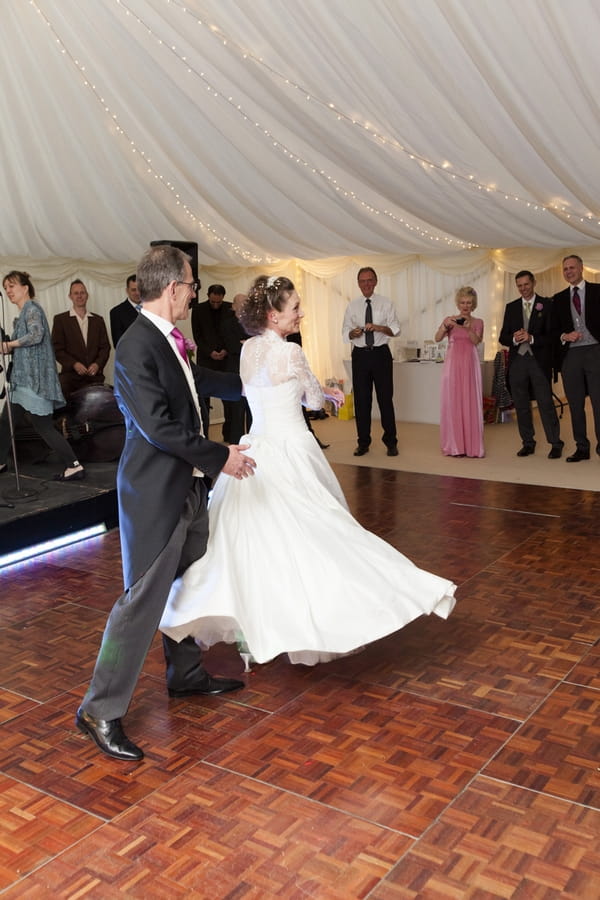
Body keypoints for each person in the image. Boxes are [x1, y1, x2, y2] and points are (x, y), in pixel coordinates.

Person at [159, 275, 455, 670]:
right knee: (321, 532)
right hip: (293, 448)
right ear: (272, 315)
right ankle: (337, 610)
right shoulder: (291, 353)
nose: (301, 313)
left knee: (252, 542)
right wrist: (327, 393)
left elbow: (255, 391)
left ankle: (258, 619)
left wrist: (301, 392)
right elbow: (313, 399)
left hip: (256, 447)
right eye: (294, 308)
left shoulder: (247, 350)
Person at [76, 246, 256, 762]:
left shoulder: (169, 340)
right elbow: (157, 427)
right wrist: (221, 456)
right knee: (140, 603)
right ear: (173, 287)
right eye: (192, 284)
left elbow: (195, 384)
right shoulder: (135, 345)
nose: (195, 293)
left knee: (187, 587)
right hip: (154, 494)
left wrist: (254, 385)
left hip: (189, 489)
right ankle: (99, 708)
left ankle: (185, 672)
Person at [0, 271, 84, 481]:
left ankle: (74, 465)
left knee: (42, 426)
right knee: (5, 422)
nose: (8, 291)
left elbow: (36, 335)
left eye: (11, 286)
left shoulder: (32, 308)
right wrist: (9, 348)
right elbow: (28, 345)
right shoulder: (24, 313)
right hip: (22, 381)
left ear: (25, 287)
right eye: (6, 287)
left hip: (32, 381)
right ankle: (1, 461)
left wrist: (10, 344)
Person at [499, 271, 563, 458]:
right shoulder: (511, 307)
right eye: (519, 285)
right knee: (521, 405)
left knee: (545, 403)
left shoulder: (548, 305)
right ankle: (528, 442)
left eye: (526, 284)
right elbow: (503, 337)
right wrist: (514, 338)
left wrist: (532, 338)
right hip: (517, 362)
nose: (523, 289)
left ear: (533, 283)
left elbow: (553, 336)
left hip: (539, 362)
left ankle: (555, 442)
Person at [342, 267, 400, 457]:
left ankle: (391, 442)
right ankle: (363, 442)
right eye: (362, 281)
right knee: (362, 401)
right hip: (360, 355)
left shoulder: (386, 303)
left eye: (369, 280)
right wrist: (354, 333)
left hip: (381, 354)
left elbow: (395, 329)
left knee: (385, 399)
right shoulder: (352, 306)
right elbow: (345, 333)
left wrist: (379, 327)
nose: (366, 284)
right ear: (358, 284)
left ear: (375, 282)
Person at [551, 254, 600, 462]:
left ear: (581, 268)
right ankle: (582, 447)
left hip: (596, 350)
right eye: (565, 269)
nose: (568, 271)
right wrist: (565, 335)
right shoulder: (559, 298)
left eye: (572, 267)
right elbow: (552, 330)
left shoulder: (598, 291)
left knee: (599, 402)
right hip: (571, 355)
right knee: (575, 403)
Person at [434, 286, 484, 458]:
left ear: (473, 304)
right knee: (453, 401)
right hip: (453, 364)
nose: (465, 305)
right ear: (458, 303)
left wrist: (469, 328)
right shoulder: (450, 320)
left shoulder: (478, 322)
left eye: (469, 303)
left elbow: (476, 341)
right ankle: (455, 445)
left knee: (470, 401)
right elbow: (437, 338)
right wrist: (444, 326)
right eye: (462, 302)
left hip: (470, 363)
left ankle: (472, 447)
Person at [52, 279, 111, 399]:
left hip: (95, 378)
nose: (79, 296)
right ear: (70, 296)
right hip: (70, 379)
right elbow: (57, 349)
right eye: (76, 293)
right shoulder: (60, 320)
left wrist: (97, 364)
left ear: (87, 295)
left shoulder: (98, 320)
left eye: (82, 292)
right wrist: (74, 364)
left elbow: (105, 347)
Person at [191, 284, 234, 438]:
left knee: (229, 400)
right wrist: (210, 352)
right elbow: (197, 335)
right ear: (208, 295)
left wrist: (225, 350)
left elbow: (232, 334)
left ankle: (229, 433)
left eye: (219, 302)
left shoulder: (230, 308)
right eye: (213, 301)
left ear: (223, 297)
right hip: (206, 359)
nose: (216, 305)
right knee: (203, 401)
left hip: (226, 359)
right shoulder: (198, 310)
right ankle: (205, 436)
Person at [221, 292, 252, 443]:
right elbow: (232, 346)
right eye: (240, 303)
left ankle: (255, 442)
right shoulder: (227, 323)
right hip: (234, 370)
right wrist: (248, 344)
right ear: (233, 306)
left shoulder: (254, 323)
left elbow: (258, 344)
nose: (243, 306)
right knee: (236, 411)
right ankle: (236, 442)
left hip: (253, 371)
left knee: (253, 409)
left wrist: (246, 344)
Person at [109, 274, 139, 347]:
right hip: (131, 356)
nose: (137, 293)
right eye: (133, 290)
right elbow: (118, 343)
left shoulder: (153, 308)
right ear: (127, 291)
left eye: (140, 289)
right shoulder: (116, 312)